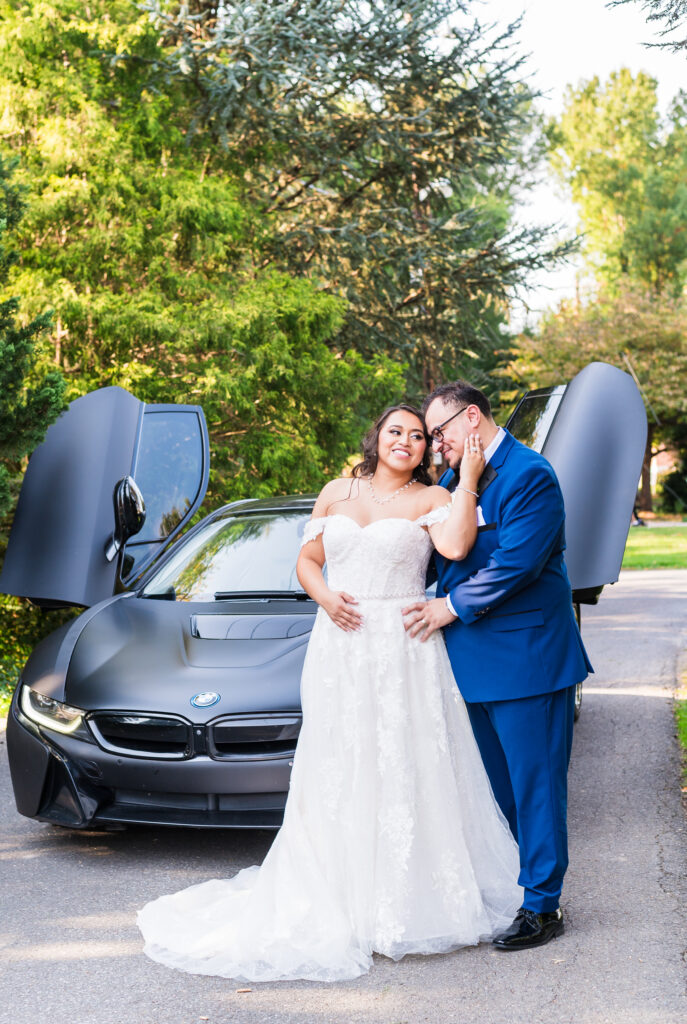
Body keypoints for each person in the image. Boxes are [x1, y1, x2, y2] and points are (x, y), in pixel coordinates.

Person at [137, 404, 522, 982]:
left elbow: (458, 549)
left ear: (424, 450)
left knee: (405, 763)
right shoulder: (336, 491)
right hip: (339, 646)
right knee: (339, 763)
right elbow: (307, 560)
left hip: (402, 647)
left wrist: (465, 481)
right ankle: (337, 893)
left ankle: (406, 902)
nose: (407, 442)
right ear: (377, 437)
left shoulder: (432, 499)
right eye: (397, 431)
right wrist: (324, 597)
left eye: (418, 436)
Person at [403, 382, 592, 951]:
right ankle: (509, 888)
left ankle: (543, 906)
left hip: (527, 662)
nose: (437, 446)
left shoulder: (530, 474)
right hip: (467, 664)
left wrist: (447, 606)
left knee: (535, 788)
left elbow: (516, 565)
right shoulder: (447, 483)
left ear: (473, 418)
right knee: (495, 792)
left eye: (441, 433)